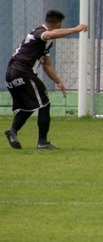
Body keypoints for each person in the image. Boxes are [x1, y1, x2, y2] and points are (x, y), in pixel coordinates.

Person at [4, 10, 88, 150]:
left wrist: (58, 81)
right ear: (58, 24)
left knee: (30, 105)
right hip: (22, 71)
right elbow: (49, 34)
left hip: (11, 73)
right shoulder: (40, 32)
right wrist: (75, 29)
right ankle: (42, 142)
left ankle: (12, 131)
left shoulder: (44, 42)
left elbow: (47, 65)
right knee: (44, 103)